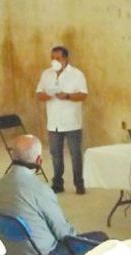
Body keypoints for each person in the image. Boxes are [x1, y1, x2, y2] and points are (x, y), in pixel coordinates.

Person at [35, 45, 89, 195]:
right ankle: (58, 184)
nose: (54, 61)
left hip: (72, 122)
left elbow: (83, 95)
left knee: (76, 154)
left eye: (58, 58)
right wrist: (48, 95)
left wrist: (68, 96)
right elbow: (39, 94)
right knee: (56, 155)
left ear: (66, 58)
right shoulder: (46, 74)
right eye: (52, 58)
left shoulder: (77, 74)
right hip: (54, 123)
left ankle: (79, 184)